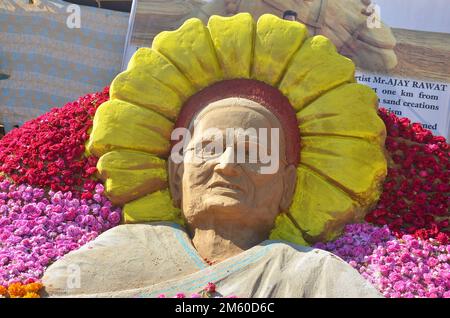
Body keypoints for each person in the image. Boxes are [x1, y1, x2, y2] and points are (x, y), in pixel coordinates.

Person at [42, 93, 382, 298]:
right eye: (208, 148)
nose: (227, 165)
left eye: (253, 152)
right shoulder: (124, 249)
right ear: (177, 176)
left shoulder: (316, 276)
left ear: (288, 186)